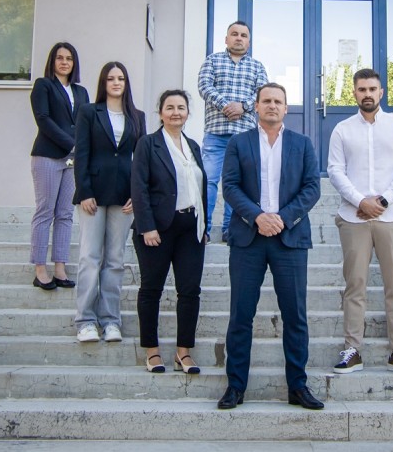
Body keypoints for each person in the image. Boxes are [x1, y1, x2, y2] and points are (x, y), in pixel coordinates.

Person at [217, 83, 323, 410]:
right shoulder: (239, 143)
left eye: (278, 101)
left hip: (289, 239)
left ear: (286, 108)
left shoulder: (302, 144)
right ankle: (235, 386)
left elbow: (312, 188)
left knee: (295, 316)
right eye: (266, 101)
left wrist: (282, 218)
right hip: (248, 238)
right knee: (241, 315)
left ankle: (298, 386)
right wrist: (257, 217)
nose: (272, 105)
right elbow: (230, 186)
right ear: (257, 106)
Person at [328, 69, 393, 376]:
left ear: (381, 93)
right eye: (362, 89)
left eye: (372, 89)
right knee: (355, 285)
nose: (367, 94)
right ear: (354, 93)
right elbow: (335, 171)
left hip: (392, 217)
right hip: (353, 218)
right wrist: (360, 201)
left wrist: (382, 201)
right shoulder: (342, 130)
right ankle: (352, 349)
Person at [131, 90, 207, 374]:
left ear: (188, 113)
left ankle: (183, 353)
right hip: (158, 229)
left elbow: (200, 187)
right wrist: (147, 226)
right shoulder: (147, 144)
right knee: (151, 289)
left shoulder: (193, 145)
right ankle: (152, 351)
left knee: (190, 291)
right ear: (160, 112)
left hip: (191, 229)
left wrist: (204, 226)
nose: (176, 112)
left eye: (181, 107)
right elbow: (138, 186)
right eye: (170, 107)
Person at [73, 62, 145, 342]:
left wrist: (136, 195)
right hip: (93, 193)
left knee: (115, 260)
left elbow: (141, 160)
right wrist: (84, 191)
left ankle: (111, 320)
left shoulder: (137, 116)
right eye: (111, 78)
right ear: (103, 82)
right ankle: (86, 321)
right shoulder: (89, 112)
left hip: (124, 196)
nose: (116, 83)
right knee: (90, 257)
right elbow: (82, 153)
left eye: (121, 78)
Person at [198, 21, 268, 242]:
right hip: (215, 134)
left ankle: (230, 229)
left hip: (244, 136)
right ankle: (203, 229)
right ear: (226, 39)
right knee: (208, 181)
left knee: (236, 183)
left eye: (243, 35)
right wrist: (226, 106)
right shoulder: (212, 61)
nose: (239, 38)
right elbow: (204, 87)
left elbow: (262, 94)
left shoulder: (257, 67)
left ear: (249, 41)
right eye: (234, 34)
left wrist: (243, 106)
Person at [29, 42, 89, 291]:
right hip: (48, 155)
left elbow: (86, 122)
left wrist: (83, 149)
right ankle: (40, 269)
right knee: (45, 211)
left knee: (65, 213)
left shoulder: (81, 91)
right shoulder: (43, 85)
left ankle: (60, 268)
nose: (65, 62)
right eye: (60, 58)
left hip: (73, 160)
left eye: (69, 58)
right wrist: (71, 144)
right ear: (52, 61)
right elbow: (43, 119)